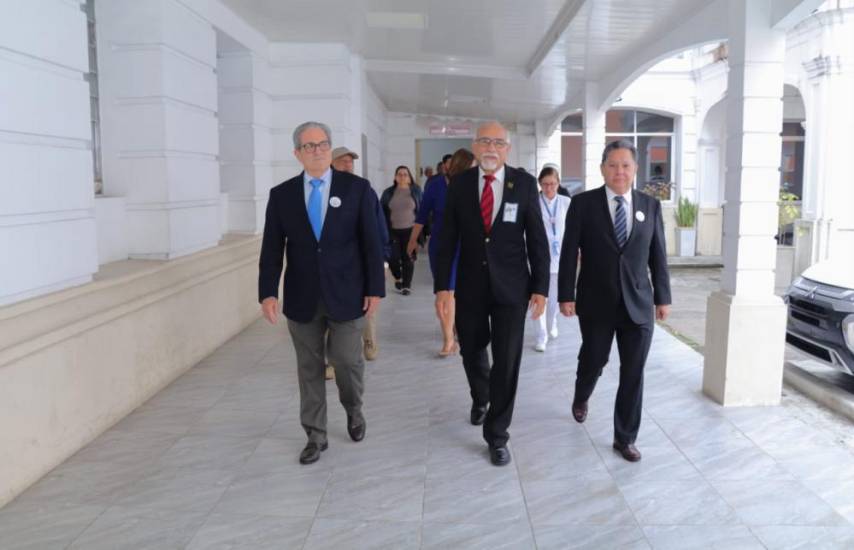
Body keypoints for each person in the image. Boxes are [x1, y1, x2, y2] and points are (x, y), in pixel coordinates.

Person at [259, 121, 384, 465]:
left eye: (323, 143)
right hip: (302, 296)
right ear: (297, 153)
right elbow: (272, 248)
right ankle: (315, 435)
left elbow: (371, 243)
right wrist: (267, 292)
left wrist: (375, 288)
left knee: (346, 360)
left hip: (349, 293)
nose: (317, 150)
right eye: (309, 145)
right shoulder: (281, 195)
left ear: (330, 148)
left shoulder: (357, 188)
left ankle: (353, 409)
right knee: (309, 368)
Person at [435, 121, 549, 467]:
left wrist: (541, 288)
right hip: (470, 286)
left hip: (512, 289)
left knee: (508, 359)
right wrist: (443, 286)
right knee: (471, 350)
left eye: (498, 142)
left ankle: (497, 435)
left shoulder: (524, 184)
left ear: (507, 149)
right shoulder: (460, 184)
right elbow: (446, 238)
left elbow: (537, 239)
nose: (491, 147)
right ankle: (481, 395)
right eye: (485, 141)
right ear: (474, 145)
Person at [558, 140, 671, 462]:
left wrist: (663, 297)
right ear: (602, 169)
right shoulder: (582, 204)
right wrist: (567, 295)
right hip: (596, 302)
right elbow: (568, 254)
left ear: (635, 170)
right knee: (594, 359)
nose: (619, 171)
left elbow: (658, 255)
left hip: (638, 303)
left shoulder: (650, 206)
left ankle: (625, 438)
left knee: (633, 372)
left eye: (626, 165)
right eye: (613, 165)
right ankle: (582, 395)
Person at [407, 148, 474, 356]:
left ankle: (454, 333)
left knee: (457, 294)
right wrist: (412, 241)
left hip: (467, 245)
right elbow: (422, 215)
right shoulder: (436, 185)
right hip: (442, 246)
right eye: (472, 167)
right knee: (443, 295)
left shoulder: (475, 186)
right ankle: (448, 339)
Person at [331, 146, 389, 362]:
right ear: (331, 163)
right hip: (334, 264)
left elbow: (379, 227)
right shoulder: (323, 191)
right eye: (343, 161)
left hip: (362, 261)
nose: (348, 165)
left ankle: (369, 341)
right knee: (331, 311)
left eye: (350, 161)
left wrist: (382, 261)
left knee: (368, 304)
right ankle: (332, 359)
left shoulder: (364, 190)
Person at [534, 166, 571, 352]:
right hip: (538, 258)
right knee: (540, 297)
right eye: (545, 184)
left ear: (558, 183)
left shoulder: (566, 203)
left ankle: (552, 323)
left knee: (554, 299)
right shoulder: (533, 202)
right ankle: (541, 335)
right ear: (540, 184)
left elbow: (574, 232)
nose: (549, 188)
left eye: (553, 184)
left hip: (559, 258)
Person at [380, 166, 422, 295]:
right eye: (399, 174)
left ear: (409, 178)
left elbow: (422, 211)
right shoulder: (388, 193)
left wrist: (422, 233)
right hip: (392, 231)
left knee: (408, 258)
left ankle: (406, 285)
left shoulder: (416, 191)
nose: (402, 176)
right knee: (393, 258)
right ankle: (398, 277)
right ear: (395, 177)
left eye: (405, 174)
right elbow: (381, 212)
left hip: (410, 230)